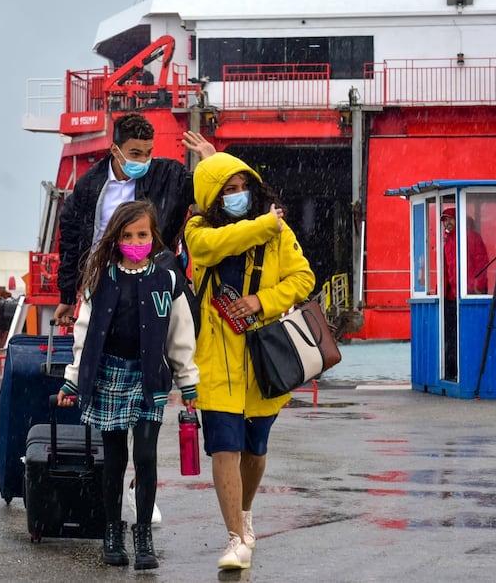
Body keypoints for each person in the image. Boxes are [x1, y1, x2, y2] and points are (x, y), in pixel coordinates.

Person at [52, 113, 213, 521]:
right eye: (135, 153)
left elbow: (204, 191)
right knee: (107, 389)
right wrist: (68, 294)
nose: (143, 159)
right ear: (115, 149)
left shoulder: (166, 175)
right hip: (105, 290)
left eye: (148, 152)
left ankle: (140, 489)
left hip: (155, 285)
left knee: (150, 392)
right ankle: (112, 488)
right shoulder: (89, 188)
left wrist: (209, 161)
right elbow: (71, 237)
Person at [183, 152, 315, 571]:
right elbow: (215, 246)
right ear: (212, 198)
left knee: (255, 450)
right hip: (215, 356)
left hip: (263, 356)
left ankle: (245, 512)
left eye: (244, 188)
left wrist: (261, 300)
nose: (239, 197)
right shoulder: (198, 230)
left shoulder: (279, 233)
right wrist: (264, 223)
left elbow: (303, 278)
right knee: (225, 446)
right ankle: (236, 538)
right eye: (228, 191)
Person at [55, 200, 199, 570]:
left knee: (146, 456)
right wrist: (73, 380)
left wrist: (187, 382)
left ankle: (143, 536)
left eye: (142, 234)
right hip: (108, 375)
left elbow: (180, 335)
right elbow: (83, 333)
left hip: (149, 375)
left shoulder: (167, 280)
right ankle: (112, 532)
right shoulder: (101, 279)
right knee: (114, 459)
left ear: (153, 236)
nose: (136, 242)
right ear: (116, 239)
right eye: (127, 236)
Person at [441, 207, 489, 381]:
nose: (447, 223)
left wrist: (477, 288)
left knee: (459, 336)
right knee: (452, 337)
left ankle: (456, 372)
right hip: (451, 297)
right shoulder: (449, 241)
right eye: (445, 220)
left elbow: (481, 263)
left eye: (449, 219)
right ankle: (453, 371)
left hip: (465, 296)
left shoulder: (469, 238)